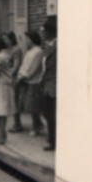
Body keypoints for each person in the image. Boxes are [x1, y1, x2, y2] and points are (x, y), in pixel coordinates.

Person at [12, 30, 45, 135]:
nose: (25, 41)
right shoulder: (29, 51)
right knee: (27, 105)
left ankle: (37, 126)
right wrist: (20, 75)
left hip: (33, 81)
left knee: (33, 106)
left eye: (27, 39)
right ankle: (37, 124)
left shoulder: (38, 51)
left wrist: (23, 76)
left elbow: (32, 69)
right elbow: (23, 66)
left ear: (32, 40)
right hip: (25, 80)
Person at [41, 16, 57, 152]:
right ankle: (51, 139)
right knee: (47, 114)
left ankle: (53, 142)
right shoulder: (48, 47)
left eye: (44, 31)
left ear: (50, 32)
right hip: (47, 85)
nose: (42, 34)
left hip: (54, 86)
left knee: (53, 116)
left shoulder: (58, 46)